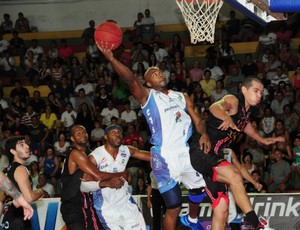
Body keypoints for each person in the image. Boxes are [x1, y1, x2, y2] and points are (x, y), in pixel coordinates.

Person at [99, 46, 211, 230]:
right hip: (164, 156)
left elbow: (198, 120)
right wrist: (112, 59)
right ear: (148, 83)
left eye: (159, 71)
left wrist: (204, 133)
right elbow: (130, 79)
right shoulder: (148, 97)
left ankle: (191, 220)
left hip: (184, 152)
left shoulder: (181, 96)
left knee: (198, 189)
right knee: (174, 205)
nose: (159, 74)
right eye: (153, 73)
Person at [189, 76, 284, 229]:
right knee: (235, 176)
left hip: (215, 157)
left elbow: (245, 126)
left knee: (222, 208)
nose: (259, 95)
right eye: (256, 91)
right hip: (202, 151)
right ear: (244, 90)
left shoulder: (245, 113)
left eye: (261, 92)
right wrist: (226, 116)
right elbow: (215, 106)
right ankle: (256, 224)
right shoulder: (233, 100)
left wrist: (263, 139)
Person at [81, 124, 151, 229]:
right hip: (106, 209)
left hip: (126, 204)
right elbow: (83, 186)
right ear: (105, 136)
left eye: (119, 132)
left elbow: (147, 155)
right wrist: (107, 183)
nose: (118, 134)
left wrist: (166, 155)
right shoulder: (96, 156)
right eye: (113, 132)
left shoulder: (126, 150)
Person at [60, 125, 126, 230]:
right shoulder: (75, 153)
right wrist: (121, 174)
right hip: (73, 204)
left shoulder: (90, 154)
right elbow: (98, 175)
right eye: (78, 133)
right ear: (72, 138)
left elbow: (98, 177)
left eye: (84, 132)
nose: (83, 135)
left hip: (88, 203)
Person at [3, 136, 48, 229]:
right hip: (18, 219)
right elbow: (29, 197)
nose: (27, 146)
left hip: (11, 217)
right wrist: (41, 191)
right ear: (13, 151)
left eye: (26, 144)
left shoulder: (10, 168)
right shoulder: (20, 169)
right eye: (21, 145)